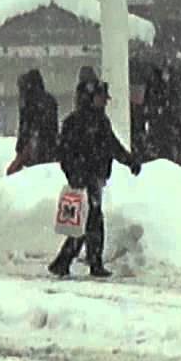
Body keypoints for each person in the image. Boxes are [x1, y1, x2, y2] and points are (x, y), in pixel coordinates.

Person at [49, 79, 141, 279]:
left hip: (95, 178)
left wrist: (130, 161)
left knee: (88, 222)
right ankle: (82, 262)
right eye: (101, 98)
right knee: (87, 222)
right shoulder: (75, 123)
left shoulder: (100, 121)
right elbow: (64, 153)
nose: (104, 103)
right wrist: (75, 175)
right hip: (83, 180)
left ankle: (71, 261)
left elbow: (113, 146)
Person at [7, 69, 59, 174]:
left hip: (33, 146)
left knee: (33, 173)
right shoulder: (50, 100)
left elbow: (25, 126)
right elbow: (53, 126)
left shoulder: (28, 101)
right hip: (50, 145)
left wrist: (21, 149)